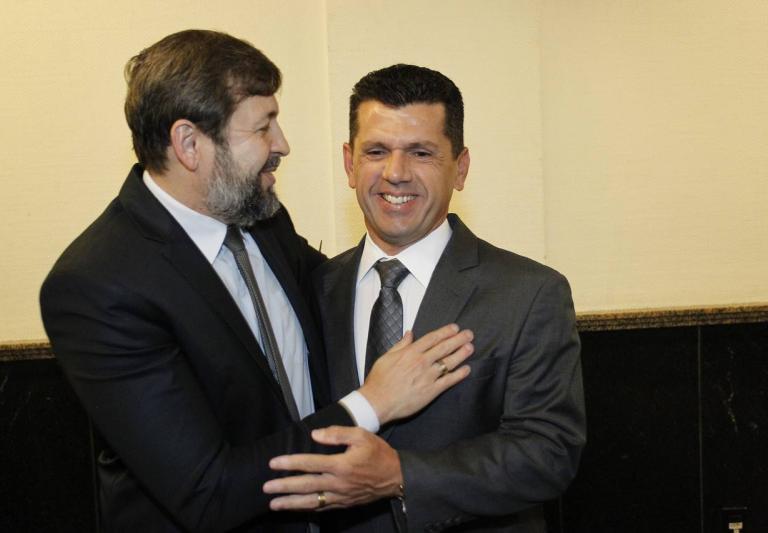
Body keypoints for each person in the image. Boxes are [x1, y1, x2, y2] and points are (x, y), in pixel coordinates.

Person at [39, 33, 474, 533]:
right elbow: (209, 493)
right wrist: (374, 402)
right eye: (263, 127)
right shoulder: (97, 286)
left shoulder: (259, 214)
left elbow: (336, 286)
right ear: (189, 144)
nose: (282, 144)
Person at [264, 64, 586, 532]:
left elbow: (548, 454)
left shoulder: (529, 292)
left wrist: (400, 476)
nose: (396, 173)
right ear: (350, 164)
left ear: (461, 168)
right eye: (376, 151)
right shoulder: (312, 289)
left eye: (421, 153)